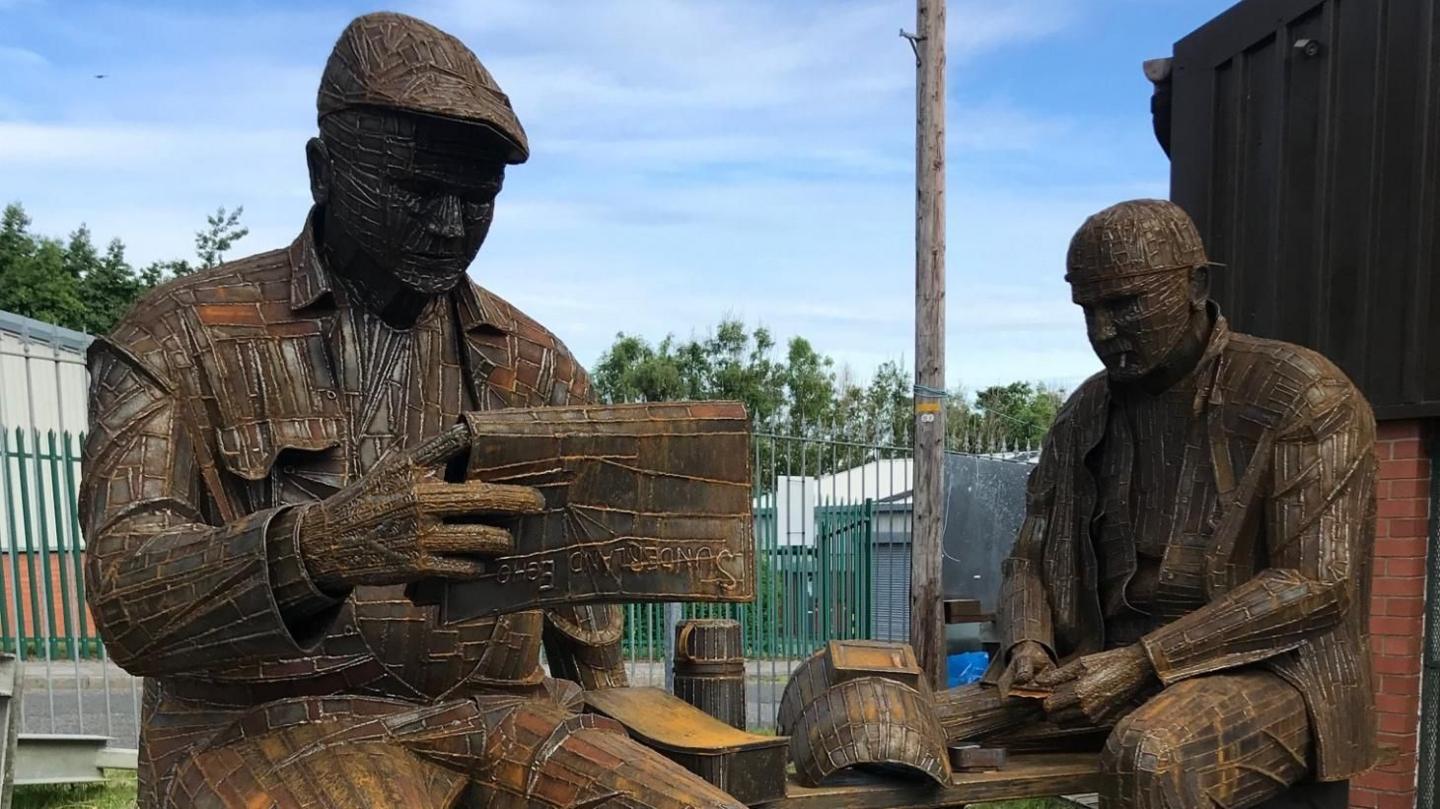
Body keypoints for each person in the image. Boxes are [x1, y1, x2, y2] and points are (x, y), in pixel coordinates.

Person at [80, 12, 741, 809]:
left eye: (478, 198)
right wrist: (319, 548)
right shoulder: (177, 339)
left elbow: (590, 642)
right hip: (261, 730)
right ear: (322, 169)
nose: (451, 226)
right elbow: (128, 600)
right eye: (418, 191)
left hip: (505, 722)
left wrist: (650, 744)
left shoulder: (542, 368)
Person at [939, 199, 1378, 809]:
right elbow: (1031, 554)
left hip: (1272, 673)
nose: (1102, 331)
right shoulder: (1085, 412)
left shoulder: (1301, 394)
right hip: (1103, 667)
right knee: (879, 718)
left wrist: (1146, 662)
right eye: (1089, 310)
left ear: (1196, 285)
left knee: (1154, 756)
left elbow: (1314, 583)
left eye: (1125, 305)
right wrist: (1028, 643)